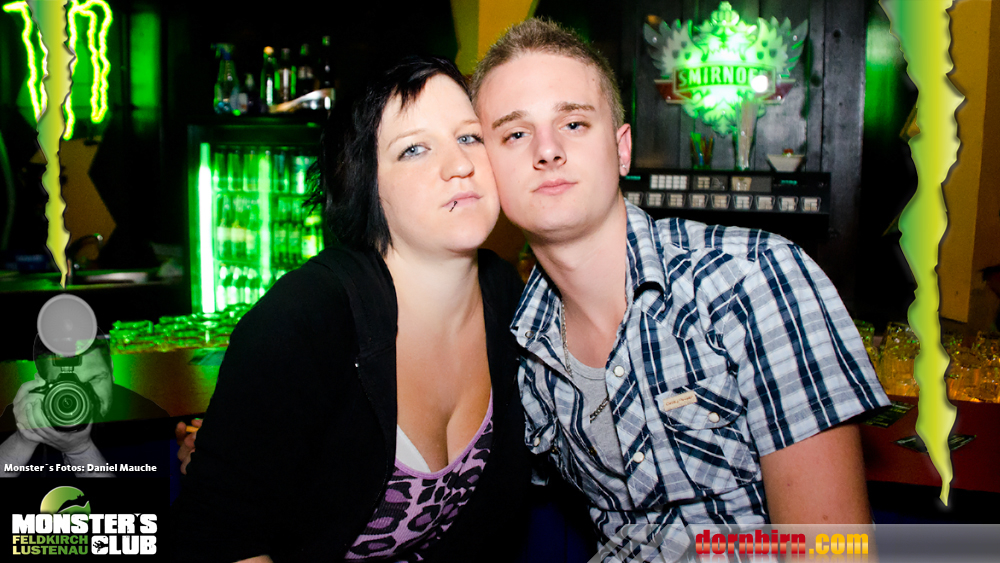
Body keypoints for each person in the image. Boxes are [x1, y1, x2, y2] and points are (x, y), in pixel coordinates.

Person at [471, 18, 890, 559]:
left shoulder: (752, 277)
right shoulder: (517, 342)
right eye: (515, 134)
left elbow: (831, 549)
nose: (547, 150)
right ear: (485, 168)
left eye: (573, 123)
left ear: (621, 149)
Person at [169, 56, 532, 562]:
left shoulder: (509, 297)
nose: (459, 165)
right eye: (414, 149)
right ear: (366, 183)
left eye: (469, 137)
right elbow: (221, 538)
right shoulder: (307, 316)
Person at [0, 334, 169, 477]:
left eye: (93, 379)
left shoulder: (148, 418)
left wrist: (80, 451)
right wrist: (23, 440)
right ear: (41, 382)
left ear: (111, 370)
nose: (83, 395)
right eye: (66, 384)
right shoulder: (25, 412)